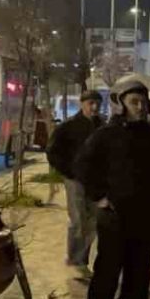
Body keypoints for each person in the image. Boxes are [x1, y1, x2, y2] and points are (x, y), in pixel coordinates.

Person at [75, 76, 150, 299]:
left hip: (145, 216)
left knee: (139, 274)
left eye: (143, 102)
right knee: (107, 273)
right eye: (134, 102)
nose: (140, 107)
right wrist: (99, 197)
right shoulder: (106, 135)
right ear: (120, 103)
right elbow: (83, 166)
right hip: (115, 218)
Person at [46, 89, 104, 278]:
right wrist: (68, 172)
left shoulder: (103, 127)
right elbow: (52, 151)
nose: (94, 107)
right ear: (82, 104)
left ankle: (79, 258)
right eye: (90, 103)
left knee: (93, 221)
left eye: (97, 104)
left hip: (95, 181)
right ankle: (76, 260)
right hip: (75, 180)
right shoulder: (68, 126)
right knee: (78, 219)